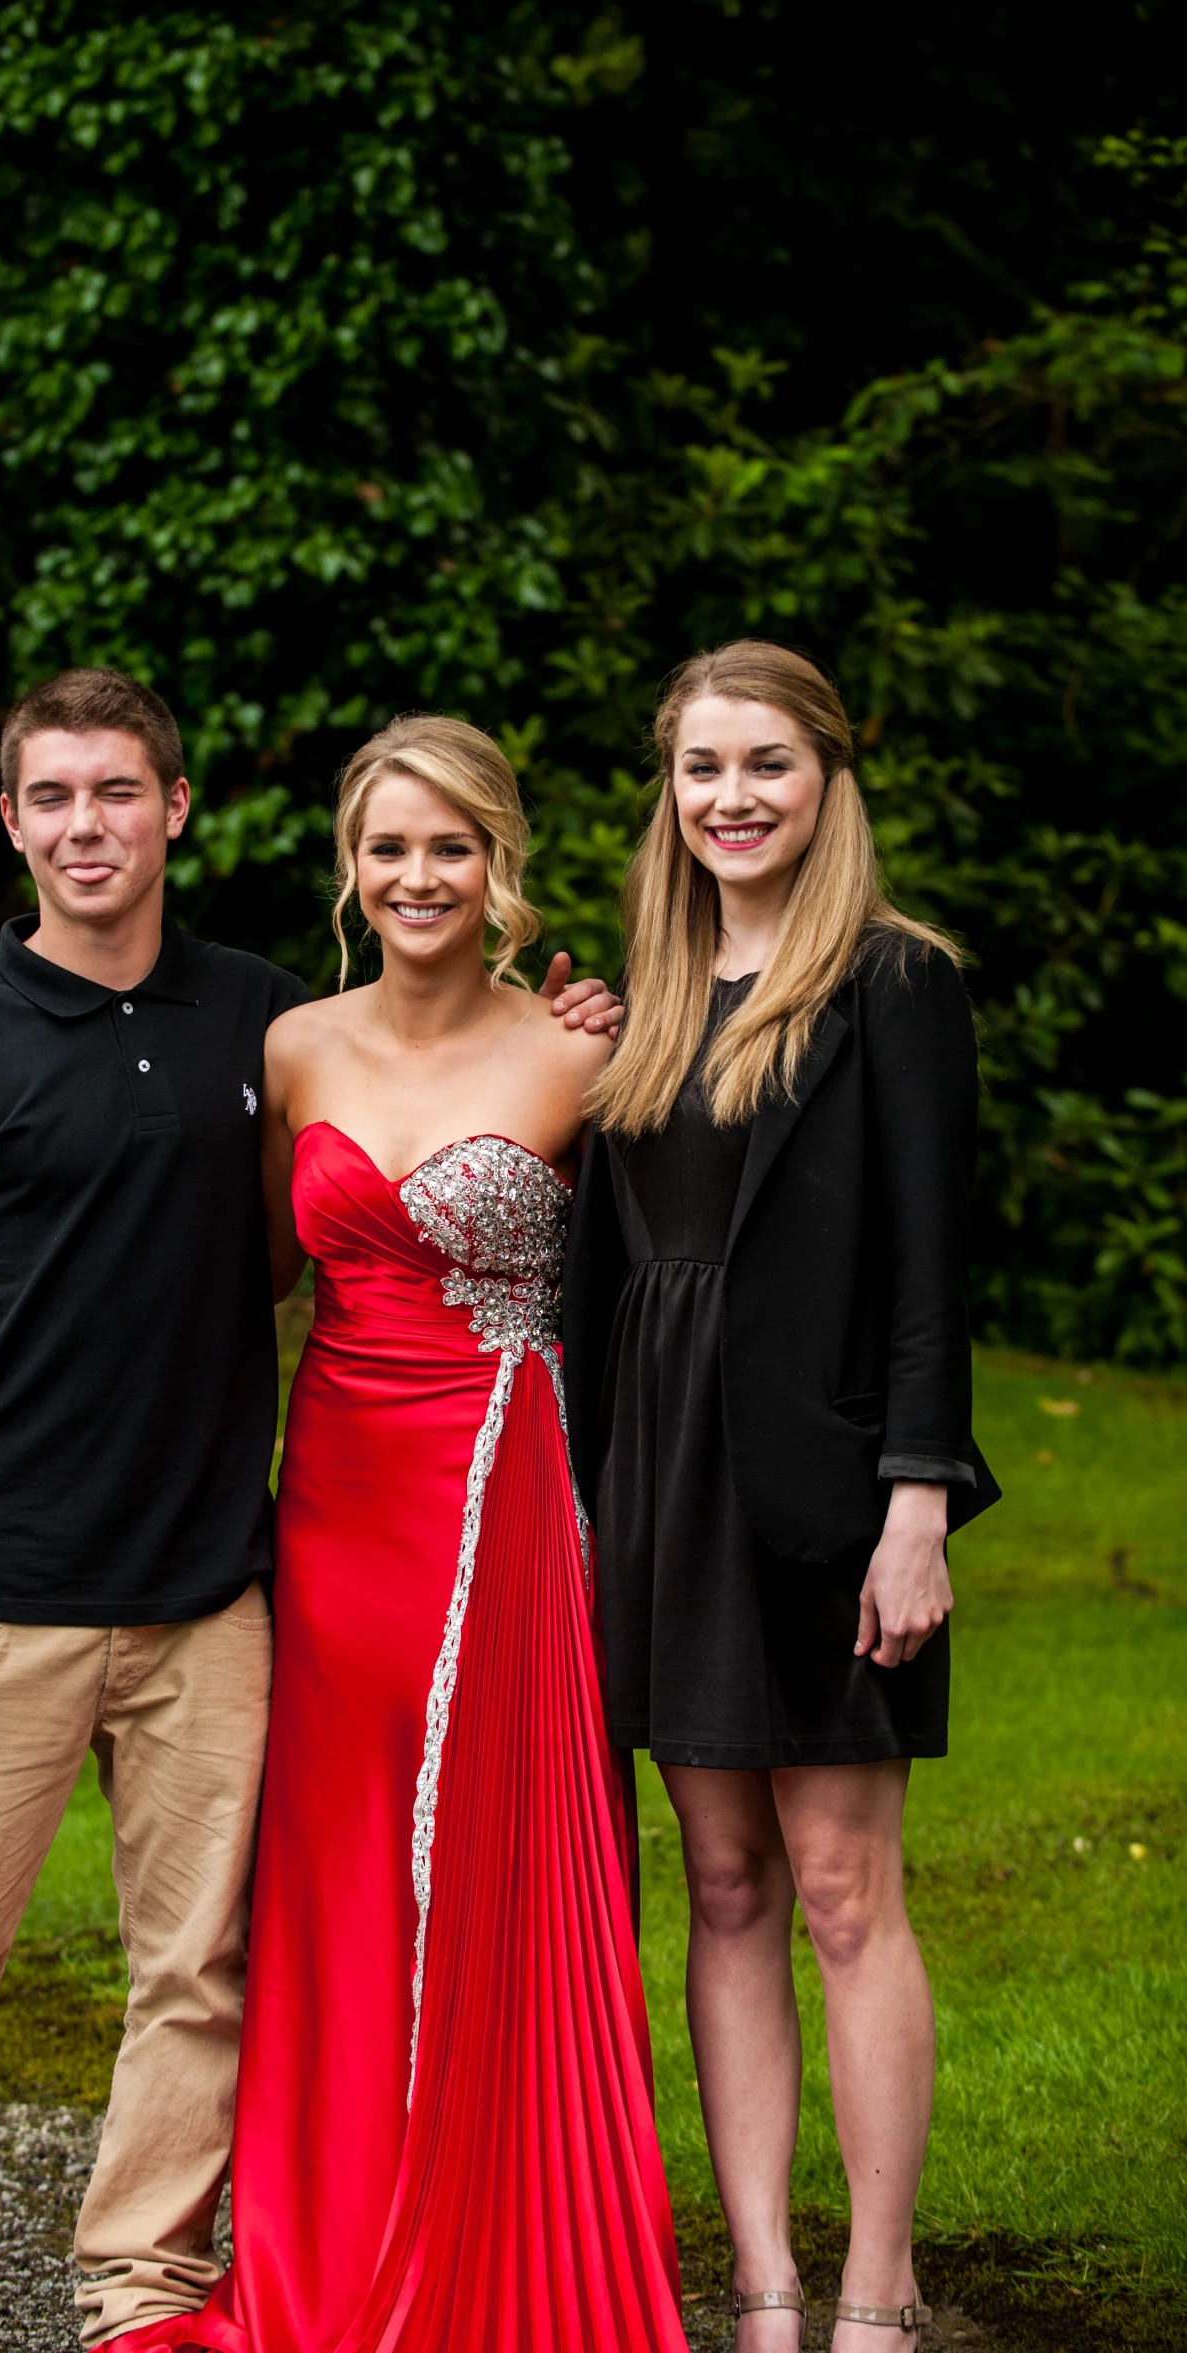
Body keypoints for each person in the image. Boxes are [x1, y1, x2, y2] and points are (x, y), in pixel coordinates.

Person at [0, 670, 620, 2353]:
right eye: (52, 798)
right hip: (4, 1589)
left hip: (216, 1591)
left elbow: (295, 1251)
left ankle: (142, 2296)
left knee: (197, 1979)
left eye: (118, 792)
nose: (85, 826)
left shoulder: (257, 1023)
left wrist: (581, 1035)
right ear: (16, 821)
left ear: (175, 810)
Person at [131, 714, 691, 2353]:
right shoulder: (295, 1046)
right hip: (336, 1496)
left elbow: (657, 1297)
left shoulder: (583, 1056)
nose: (418, 876)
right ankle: (331, 2242)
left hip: (500, 1496)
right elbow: (254, 1277)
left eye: (450, 846)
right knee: (332, 1859)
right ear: (349, 871)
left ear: (498, 865)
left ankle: (499, 2229)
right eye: (388, 848)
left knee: (489, 1842)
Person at [563, 641, 1001, 2352]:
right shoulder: (644, 995)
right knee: (723, 1884)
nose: (730, 799)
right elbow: (608, 1264)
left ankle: (876, 2293)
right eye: (699, 771)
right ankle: (759, 2286)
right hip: (661, 1478)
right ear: (666, 796)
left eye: (765, 766)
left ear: (828, 782)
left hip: (825, 1486)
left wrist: (915, 1502)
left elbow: (924, 1272)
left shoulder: (894, 983)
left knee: (839, 1886)